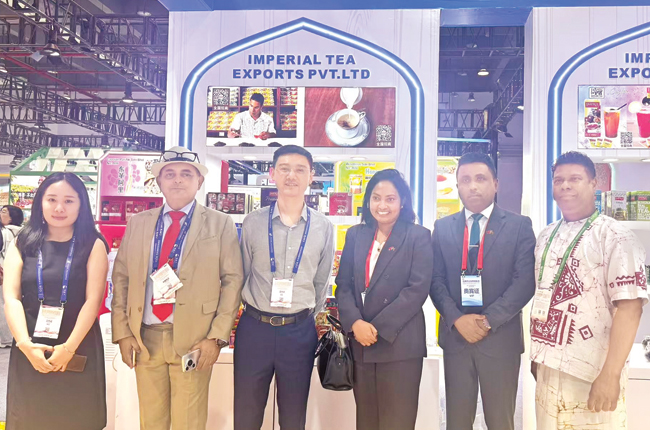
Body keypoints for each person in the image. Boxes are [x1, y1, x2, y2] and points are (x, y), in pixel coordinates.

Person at [111, 146, 244, 430]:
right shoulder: (138, 223)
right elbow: (121, 278)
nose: (178, 180)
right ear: (159, 181)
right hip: (145, 339)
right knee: (151, 421)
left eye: (186, 174)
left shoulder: (220, 224)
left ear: (199, 181)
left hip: (194, 340)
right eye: (169, 174)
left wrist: (216, 337)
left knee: (189, 422)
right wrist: (122, 332)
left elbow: (233, 281)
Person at [530, 151, 647, 430]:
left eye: (575, 179)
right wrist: (538, 357)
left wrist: (610, 374)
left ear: (594, 183)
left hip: (592, 371)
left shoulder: (616, 236)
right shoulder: (546, 235)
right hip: (549, 369)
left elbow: (630, 308)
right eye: (559, 180)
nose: (565, 186)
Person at [430, 152, 536, 430]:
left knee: (500, 421)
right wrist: (457, 319)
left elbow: (524, 282)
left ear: (496, 184)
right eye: (465, 180)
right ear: (457, 186)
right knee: (457, 421)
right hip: (457, 338)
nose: (473, 186)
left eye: (480, 178)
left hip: (500, 338)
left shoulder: (519, 226)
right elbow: (435, 280)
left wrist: (488, 320)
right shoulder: (442, 228)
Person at [235, 144, 334, 430]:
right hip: (255, 329)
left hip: (298, 332)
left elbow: (321, 281)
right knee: (246, 414)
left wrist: (302, 315)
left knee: (293, 417)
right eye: (285, 169)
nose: (292, 176)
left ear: (311, 176)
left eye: (300, 170)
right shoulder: (252, 223)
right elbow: (242, 273)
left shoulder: (324, 227)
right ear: (272, 174)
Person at [3, 172, 109, 430]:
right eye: (52, 199)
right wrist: (25, 344)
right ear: (40, 202)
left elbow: (92, 301)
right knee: (30, 417)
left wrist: (68, 348)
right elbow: (11, 298)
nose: (59, 208)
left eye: (69, 201)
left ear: (81, 205)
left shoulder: (92, 244)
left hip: (77, 344)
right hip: (30, 345)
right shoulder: (22, 242)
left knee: (76, 418)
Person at [335, 169, 432, 430]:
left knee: (397, 421)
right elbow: (343, 285)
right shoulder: (355, 235)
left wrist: (375, 329)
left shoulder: (418, 236)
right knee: (366, 421)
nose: (382, 205)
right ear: (368, 201)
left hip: (399, 345)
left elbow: (416, 290)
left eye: (390, 199)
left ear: (403, 201)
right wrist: (355, 323)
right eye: (376, 198)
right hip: (361, 344)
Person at [1, 205, 24, 347]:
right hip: (20, 273)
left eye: (4, 212)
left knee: (4, 304)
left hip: (4, 273)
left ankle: (6, 338)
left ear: (11, 217)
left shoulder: (5, 232)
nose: (0, 214)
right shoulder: (25, 233)